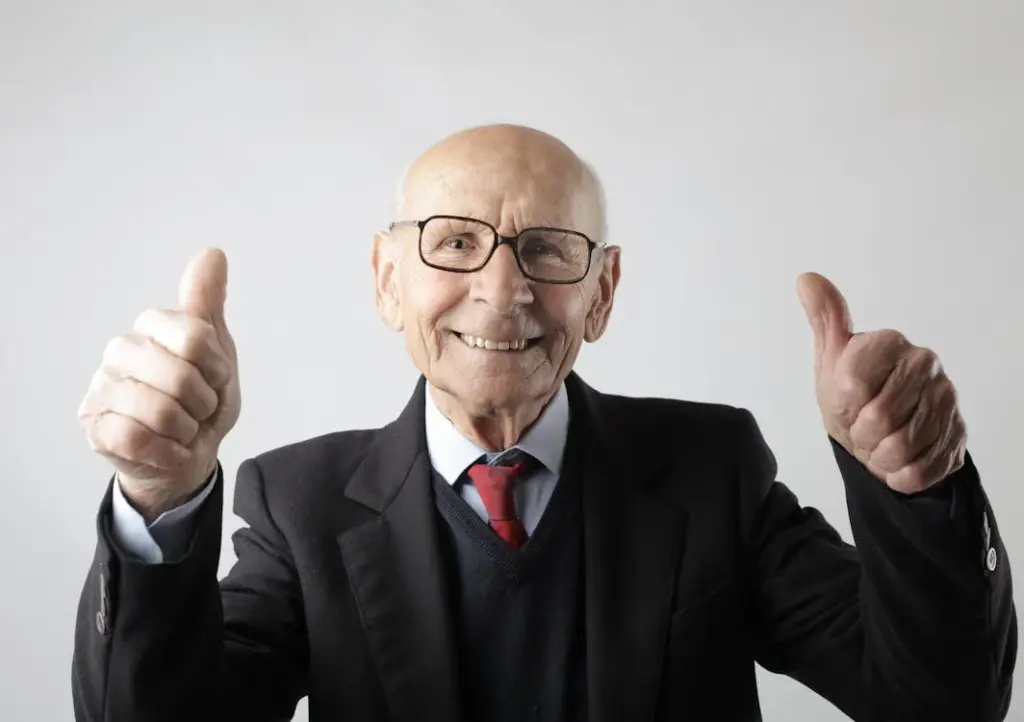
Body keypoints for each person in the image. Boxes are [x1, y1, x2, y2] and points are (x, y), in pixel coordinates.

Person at [72, 124, 1015, 722]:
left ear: (602, 292)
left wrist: (920, 485)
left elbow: (939, 703)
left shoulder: (710, 470)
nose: (503, 289)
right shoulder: (301, 503)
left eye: (548, 250)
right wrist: (158, 497)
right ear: (388, 282)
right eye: (454, 242)